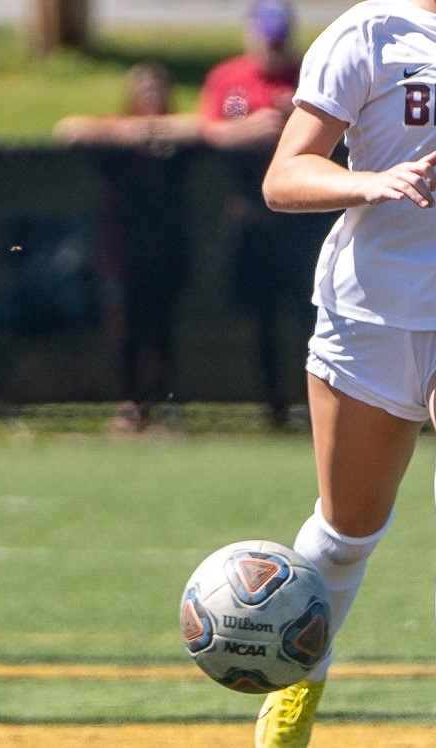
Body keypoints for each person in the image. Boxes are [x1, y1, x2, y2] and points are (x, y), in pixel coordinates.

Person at [257, 0, 436, 745]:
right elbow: (284, 176)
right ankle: (296, 682)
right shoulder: (372, 32)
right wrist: (371, 182)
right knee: (345, 535)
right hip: (372, 307)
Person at [201, 0, 332, 428]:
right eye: (267, 39)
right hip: (250, 212)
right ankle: (271, 405)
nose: (273, 49)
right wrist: (251, 129)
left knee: (309, 311)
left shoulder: (309, 73)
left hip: (301, 217)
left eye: (280, 40)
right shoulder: (229, 77)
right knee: (257, 313)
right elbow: (208, 129)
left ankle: (314, 403)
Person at [55, 62, 201, 433]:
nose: (151, 96)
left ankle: (161, 406)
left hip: (166, 249)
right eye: (144, 90)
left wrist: (157, 129)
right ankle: (129, 406)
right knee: (124, 330)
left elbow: (206, 127)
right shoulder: (115, 139)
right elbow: (68, 130)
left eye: (157, 90)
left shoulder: (176, 143)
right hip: (122, 251)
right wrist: (133, 131)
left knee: (161, 330)